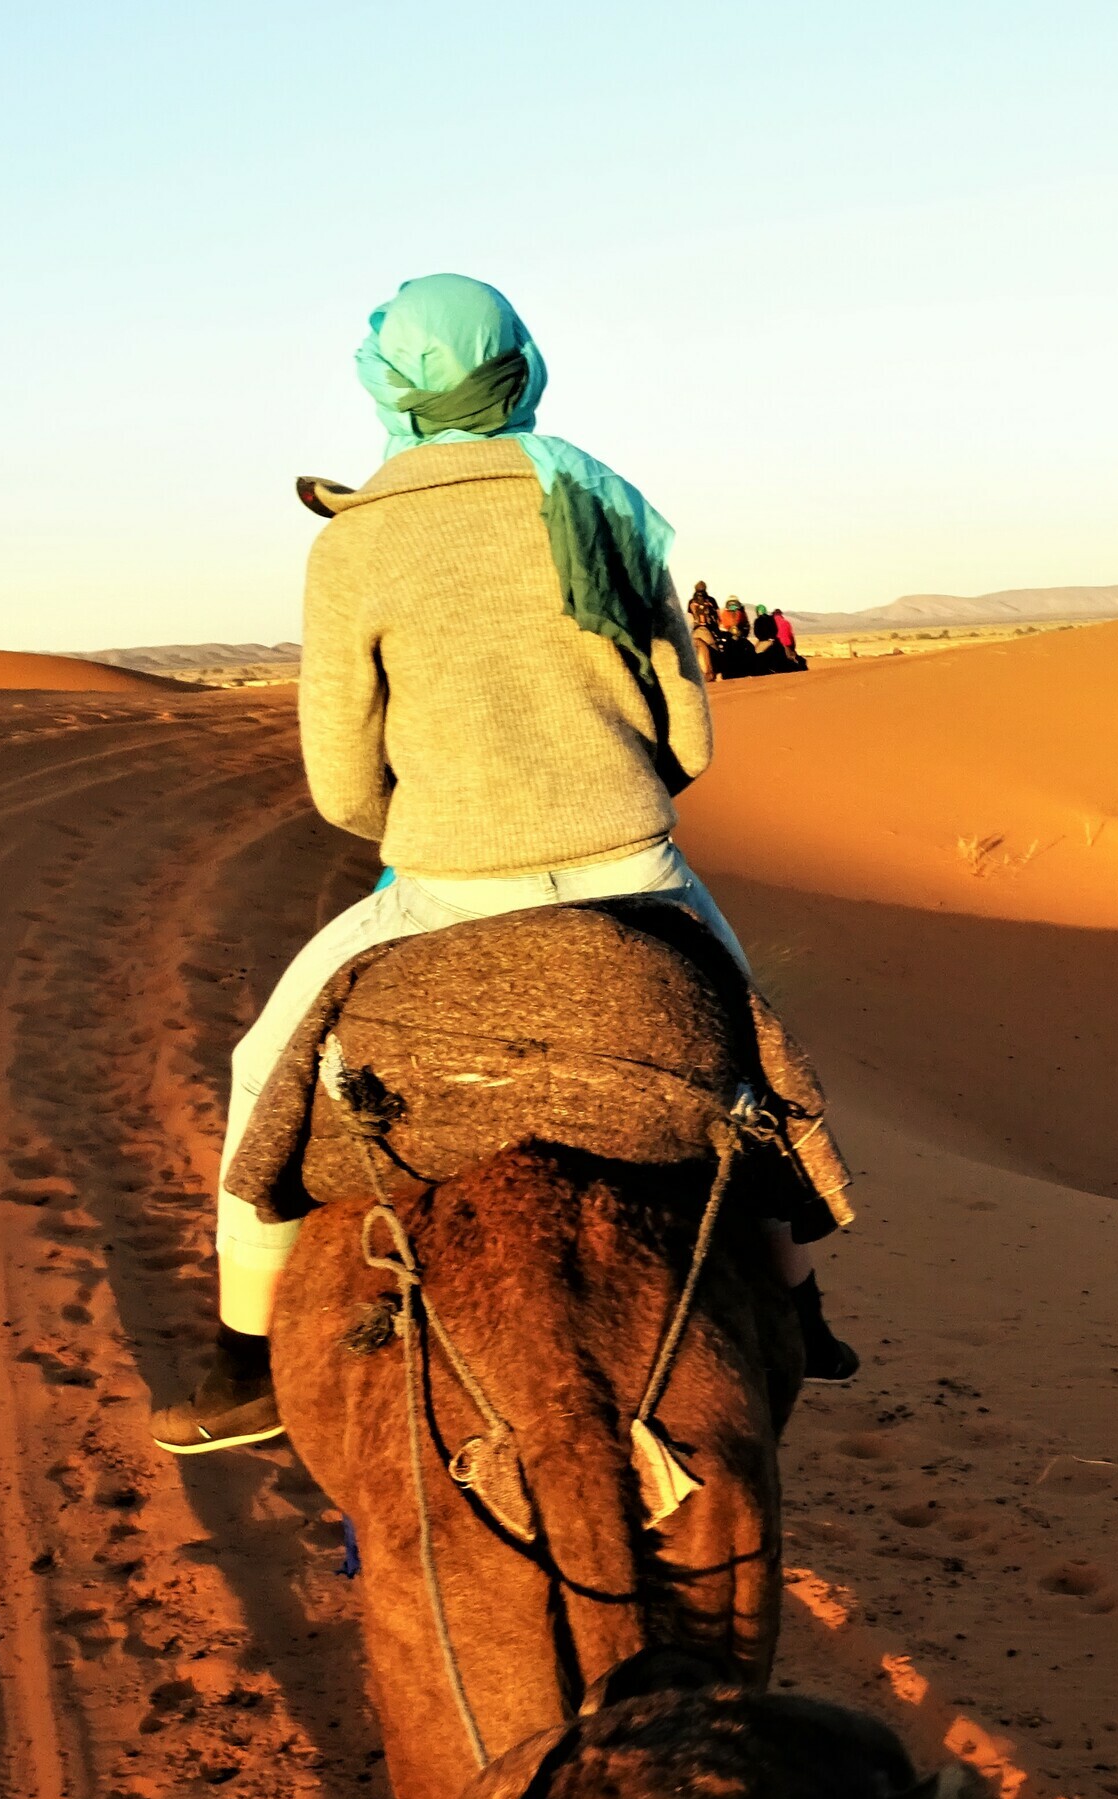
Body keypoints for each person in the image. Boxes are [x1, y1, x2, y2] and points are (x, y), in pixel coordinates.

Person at [151, 274, 860, 1455]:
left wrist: (440, 824)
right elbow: (688, 735)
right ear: (524, 366)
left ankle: (245, 1367)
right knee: (754, 1072)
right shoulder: (601, 500)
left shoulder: (359, 535)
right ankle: (799, 1308)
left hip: (442, 889)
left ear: (385, 388)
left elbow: (340, 786)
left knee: (257, 1071)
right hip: (637, 873)